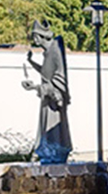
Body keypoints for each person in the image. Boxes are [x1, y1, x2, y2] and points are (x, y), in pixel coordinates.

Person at [22, 19, 73, 164]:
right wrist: (32, 63)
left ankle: (56, 153)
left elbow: (58, 78)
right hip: (47, 99)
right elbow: (46, 73)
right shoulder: (47, 53)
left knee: (54, 132)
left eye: (35, 36)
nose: (34, 40)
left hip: (53, 102)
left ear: (39, 36)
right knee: (46, 132)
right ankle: (49, 154)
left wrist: (35, 87)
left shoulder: (55, 50)